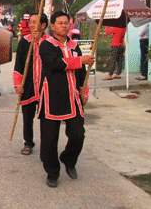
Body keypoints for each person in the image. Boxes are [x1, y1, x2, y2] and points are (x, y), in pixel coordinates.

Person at [38, 11, 94, 188]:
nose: (64, 26)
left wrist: (84, 91)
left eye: (66, 23)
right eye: (60, 23)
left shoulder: (74, 46)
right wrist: (80, 60)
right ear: (52, 26)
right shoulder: (46, 45)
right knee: (49, 139)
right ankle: (52, 172)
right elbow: (57, 64)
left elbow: (81, 72)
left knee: (78, 134)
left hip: (72, 96)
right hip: (52, 96)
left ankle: (69, 159)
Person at [13, 13, 48, 155]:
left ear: (43, 25)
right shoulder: (24, 42)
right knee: (27, 116)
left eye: (35, 22)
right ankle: (28, 142)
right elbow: (19, 65)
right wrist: (17, 84)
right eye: (31, 22)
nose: (31, 25)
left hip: (46, 85)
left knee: (47, 119)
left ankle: (47, 145)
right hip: (28, 85)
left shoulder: (50, 42)